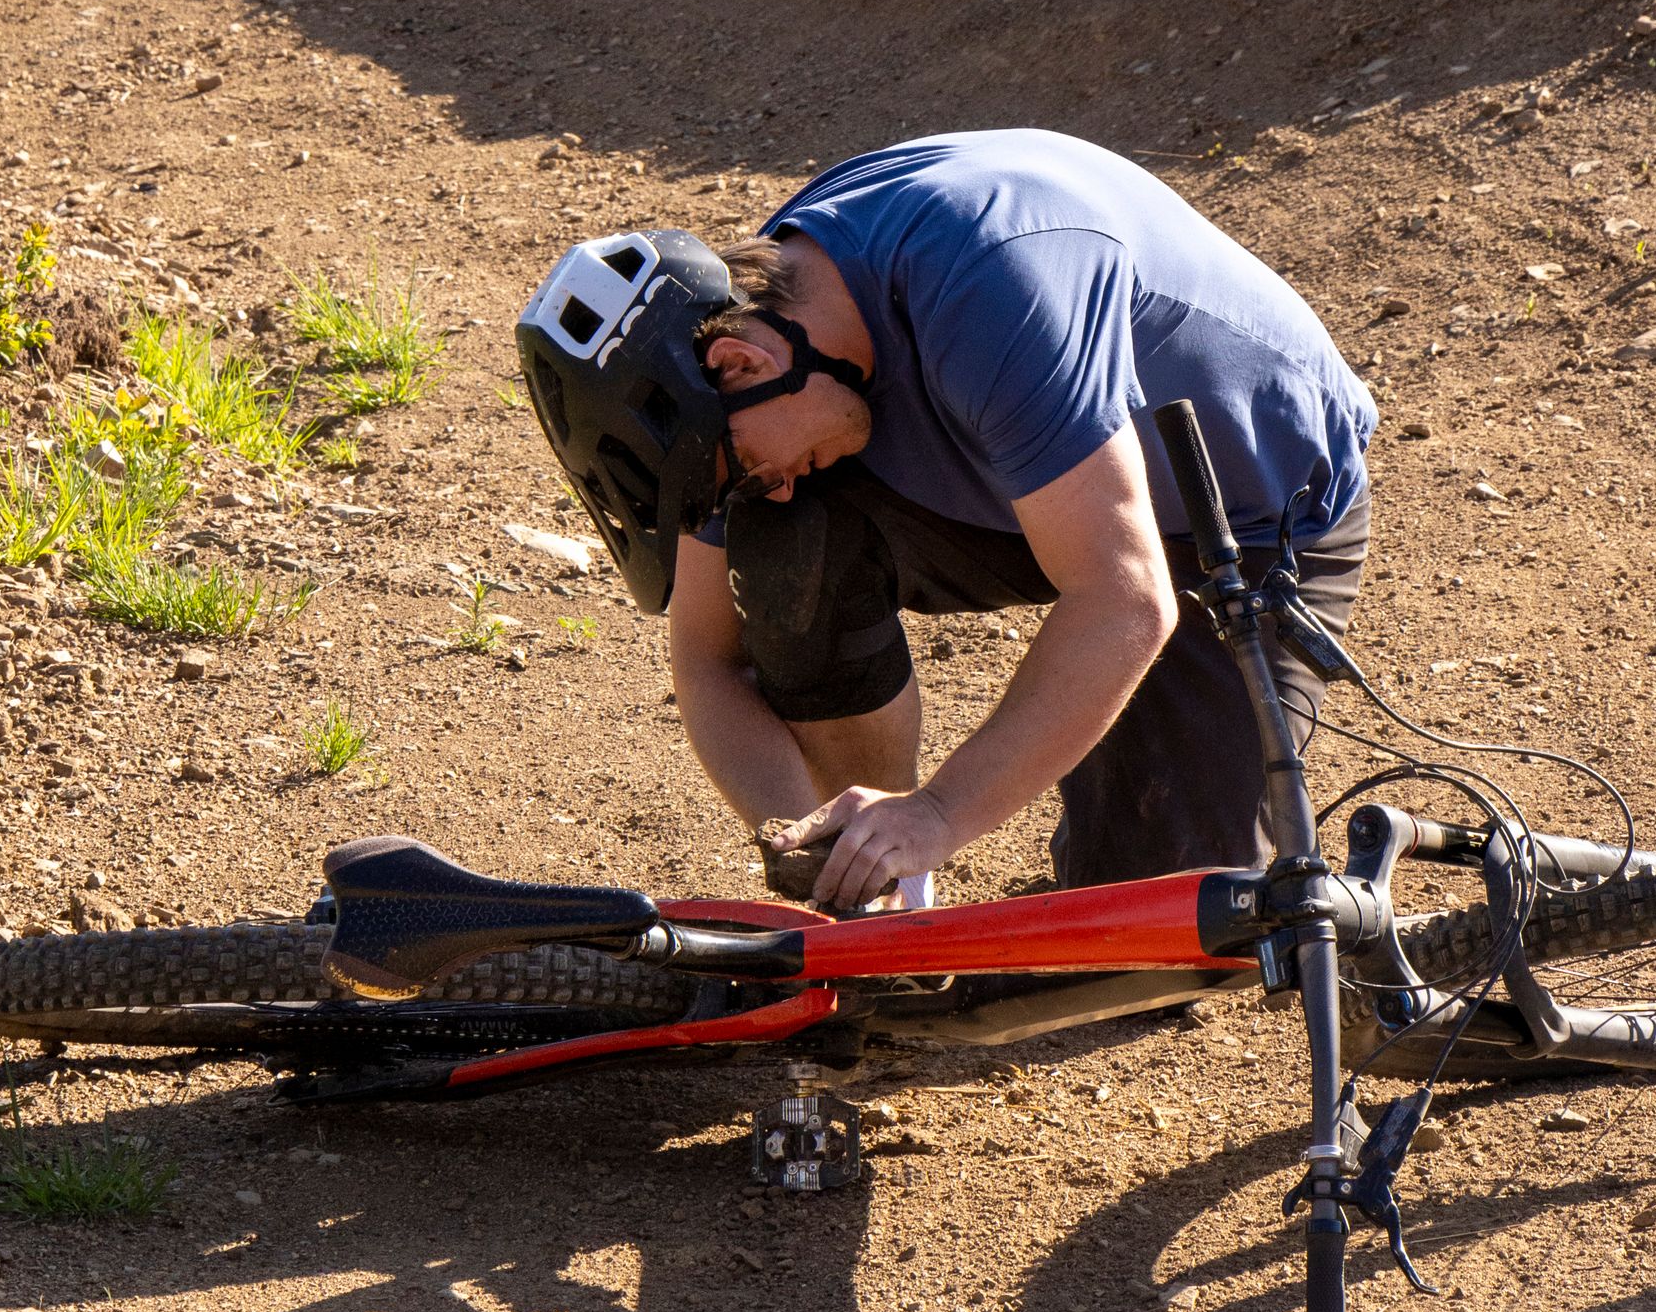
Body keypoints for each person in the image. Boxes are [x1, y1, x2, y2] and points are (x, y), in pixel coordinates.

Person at [516, 128, 1373, 916]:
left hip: (1244, 514)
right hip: (1026, 482)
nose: (761, 492)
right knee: (783, 544)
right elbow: (708, 662)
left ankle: (970, 846)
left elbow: (1124, 598)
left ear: (741, 365)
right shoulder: (767, 330)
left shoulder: (991, 286)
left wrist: (937, 813)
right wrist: (803, 838)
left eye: (739, 474)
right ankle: (881, 897)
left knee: (1169, 922)